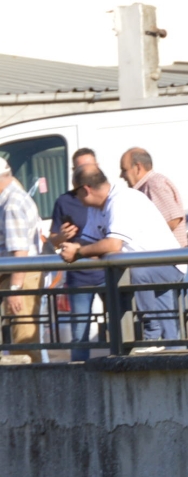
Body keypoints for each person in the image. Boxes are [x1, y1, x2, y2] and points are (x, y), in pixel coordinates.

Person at [58, 166, 183, 343]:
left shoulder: (121, 199)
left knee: (136, 275)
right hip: (147, 267)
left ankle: (151, 334)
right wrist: (70, 245)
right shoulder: (97, 206)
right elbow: (89, 242)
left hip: (168, 263)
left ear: (86, 189)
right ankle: (170, 347)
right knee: (169, 331)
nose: (74, 198)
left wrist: (77, 253)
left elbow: (113, 244)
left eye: (75, 192)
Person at [49, 148, 102, 360]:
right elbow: (52, 239)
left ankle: (122, 370)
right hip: (79, 275)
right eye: (80, 168)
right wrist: (61, 236)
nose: (85, 172)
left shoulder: (108, 196)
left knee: (120, 328)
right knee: (80, 333)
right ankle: (81, 377)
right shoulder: (64, 201)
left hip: (110, 271)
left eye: (90, 167)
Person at [0, 159, 43, 362]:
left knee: (24, 340)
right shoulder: (13, 197)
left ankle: (32, 388)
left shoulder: (11, 205)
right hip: (20, 274)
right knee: (23, 338)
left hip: (21, 276)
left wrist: (15, 290)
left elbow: (20, 252)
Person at [119, 148, 187, 245]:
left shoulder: (153, 184)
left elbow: (173, 219)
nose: (121, 175)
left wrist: (144, 240)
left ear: (138, 167)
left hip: (166, 256)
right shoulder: (147, 186)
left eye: (124, 170)